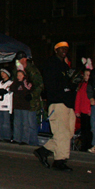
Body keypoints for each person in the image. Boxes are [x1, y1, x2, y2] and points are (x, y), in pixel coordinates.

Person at [35, 42, 76, 171]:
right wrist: (67, 85)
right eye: (62, 49)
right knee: (62, 132)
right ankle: (59, 161)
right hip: (58, 102)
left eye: (66, 49)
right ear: (56, 50)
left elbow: (68, 84)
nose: (65, 51)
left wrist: (73, 82)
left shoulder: (64, 66)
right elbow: (52, 84)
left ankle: (44, 150)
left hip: (68, 103)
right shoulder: (51, 64)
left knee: (68, 133)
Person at [14, 51, 44, 145]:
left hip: (31, 102)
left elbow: (40, 85)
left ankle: (32, 143)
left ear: (25, 59)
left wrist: (32, 95)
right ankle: (21, 139)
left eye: (22, 59)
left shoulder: (33, 70)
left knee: (31, 123)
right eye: (19, 59)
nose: (20, 61)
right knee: (21, 122)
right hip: (21, 102)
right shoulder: (17, 70)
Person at [11, 69, 35, 145]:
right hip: (17, 106)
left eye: (20, 75)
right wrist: (16, 81)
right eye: (18, 75)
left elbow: (29, 89)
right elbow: (11, 89)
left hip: (25, 106)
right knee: (17, 123)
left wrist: (24, 81)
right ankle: (16, 138)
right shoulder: (16, 83)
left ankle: (25, 140)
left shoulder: (27, 83)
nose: (19, 77)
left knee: (25, 124)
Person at [75, 69, 93, 151]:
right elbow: (78, 98)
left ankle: (88, 145)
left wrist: (90, 109)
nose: (87, 77)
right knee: (83, 129)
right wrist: (77, 110)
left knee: (89, 130)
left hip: (88, 111)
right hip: (82, 110)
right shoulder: (81, 85)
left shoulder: (92, 86)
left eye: (89, 75)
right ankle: (84, 145)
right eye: (86, 75)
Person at [0, 68, 13, 142]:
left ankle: (7, 137)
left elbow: (5, 91)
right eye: (1, 73)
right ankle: (0, 136)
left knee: (6, 123)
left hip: (6, 105)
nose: (2, 75)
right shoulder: (0, 83)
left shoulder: (10, 83)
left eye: (4, 73)